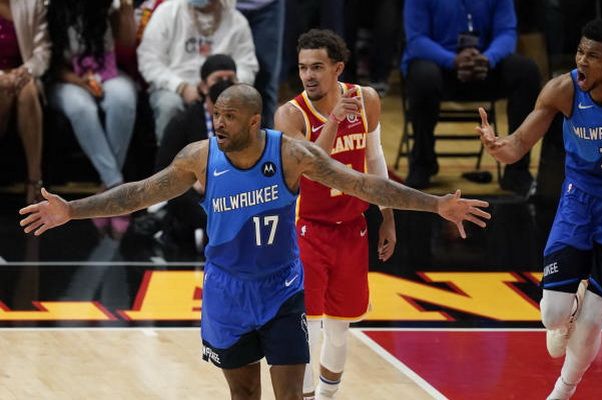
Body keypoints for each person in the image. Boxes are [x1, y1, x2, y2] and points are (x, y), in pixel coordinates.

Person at [20, 84, 490, 400]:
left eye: (229, 117)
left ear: (254, 121)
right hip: (227, 294)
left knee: (291, 394)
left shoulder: (290, 154)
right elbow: (139, 193)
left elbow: (364, 184)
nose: (219, 124)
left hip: (281, 290)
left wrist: (435, 205)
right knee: (244, 394)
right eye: (215, 115)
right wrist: (71, 210)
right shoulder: (199, 158)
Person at [476, 19, 602, 400]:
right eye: (580, 51)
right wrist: (497, 146)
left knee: (591, 323)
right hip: (579, 202)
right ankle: (571, 302)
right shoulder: (562, 90)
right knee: (552, 316)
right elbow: (518, 145)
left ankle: (563, 390)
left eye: (592, 56)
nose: (581, 60)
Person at [274, 29, 395, 400]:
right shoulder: (289, 114)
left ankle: (327, 396)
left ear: (337, 68)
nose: (308, 75)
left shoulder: (366, 99)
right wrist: (334, 122)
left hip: (353, 227)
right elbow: (311, 167)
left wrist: (387, 215)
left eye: (317, 67)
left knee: (340, 329)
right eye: (302, 68)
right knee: (307, 327)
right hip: (307, 228)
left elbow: (374, 158)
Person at [402, 0, 541, 194]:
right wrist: (452, 60)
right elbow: (417, 40)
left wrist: (488, 58)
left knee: (526, 72)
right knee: (423, 76)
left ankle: (517, 170)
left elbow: (507, 33)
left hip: (484, 66)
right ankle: (422, 162)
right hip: (439, 68)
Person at [46, 0, 137, 236]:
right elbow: (51, 64)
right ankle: (117, 188)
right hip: (65, 79)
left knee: (123, 99)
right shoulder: (52, 9)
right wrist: (80, 82)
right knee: (82, 108)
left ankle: (106, 190)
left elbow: (127, 42)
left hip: (105, 73)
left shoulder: (107, 7)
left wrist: (126, 7)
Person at [137, 0, 258, 142]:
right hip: (174, 89)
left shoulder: (237, 21)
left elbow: (247, 66)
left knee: (243, 104)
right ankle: (168, 154)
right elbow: (149, 60)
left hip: (222, 90)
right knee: (169, 105)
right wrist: (181, 87)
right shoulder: (167, 12)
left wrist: (226, 88)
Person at [153, 53, 236, 251]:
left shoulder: (249, 122)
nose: (225, 84)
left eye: (230, 79)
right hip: (194, 195)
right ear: (204, 86)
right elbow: (162, 173)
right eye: (218, 79)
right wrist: (192, 180)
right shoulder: (182, 123)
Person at [0, 0, 50, 204]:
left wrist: (25, 71)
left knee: (28, 92)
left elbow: (43, 51)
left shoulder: (32, 3)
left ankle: (35, 180)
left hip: (23, 75)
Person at [236, 0, 285, 128]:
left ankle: (267, 137)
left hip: (266, 6)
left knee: (266, 79)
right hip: (224, 6)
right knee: (222, 74)